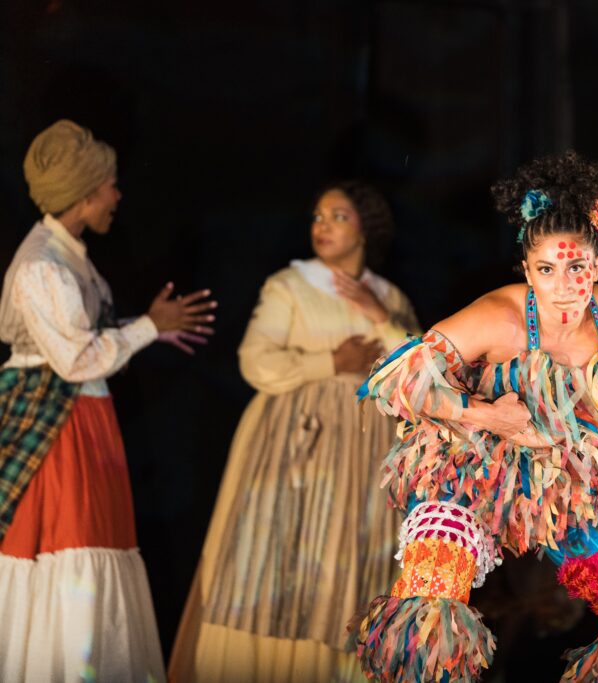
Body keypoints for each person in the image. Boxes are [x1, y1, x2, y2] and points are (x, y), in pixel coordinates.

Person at [351, 150, 598, 682]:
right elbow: (399, 379)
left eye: (576, 268)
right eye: (547, 270)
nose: (563, 286)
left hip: (568, 486)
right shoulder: (500, 316)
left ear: (596, 266)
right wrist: (485, 416)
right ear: (527, 269)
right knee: (428, 607)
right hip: (472, 470)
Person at [169, 181, 420, 682]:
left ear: (365, 228)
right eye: (317, 217)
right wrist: (331, 361)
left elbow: (419, 373)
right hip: (295, 445)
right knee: (281, 557)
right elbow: (255, 361)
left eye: (337, 217)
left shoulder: (389, 296)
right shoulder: (290, 285)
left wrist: (382, 319)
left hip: (366, 451)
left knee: (349, 561)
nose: (321, 227)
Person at [0, 119, 216, 682]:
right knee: (66, 549)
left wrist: (147, 328)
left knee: (94, 547)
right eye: (111, 185)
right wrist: (146, 326)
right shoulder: (41, 264)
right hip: (53, 425)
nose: (118, 196)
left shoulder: (69, 254)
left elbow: (81, 338)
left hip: (83, 420)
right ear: (84, 191)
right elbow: (72, 359)